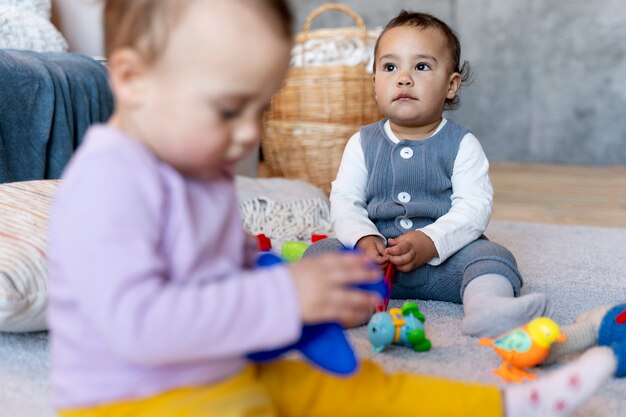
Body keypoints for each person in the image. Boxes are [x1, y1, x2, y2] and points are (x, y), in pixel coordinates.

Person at [46, 2, 615, 416]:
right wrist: (284, 293)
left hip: (219, 362)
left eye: (260, 108)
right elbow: (137, 326)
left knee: (359, 388)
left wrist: (248, 265)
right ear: (130, 79)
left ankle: (505, 404)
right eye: (227, 109)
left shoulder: (199, 163)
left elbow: (204, 263)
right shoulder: (106, 185)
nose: (248, 137)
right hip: (139, 399)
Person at [305, 10, 550, 338]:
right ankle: (345, 304)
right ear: (375, 83)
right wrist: (364, 239)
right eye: (390, 67)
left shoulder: (461, 143)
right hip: (375, 261)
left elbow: (473, 209)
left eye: (421, 67)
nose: (403, 78)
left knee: (492, 255)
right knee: (322, 252)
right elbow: (346, 200)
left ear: (451, 85)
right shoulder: (361, 143)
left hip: (443, 263)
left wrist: (430, 242)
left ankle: (487, 306)